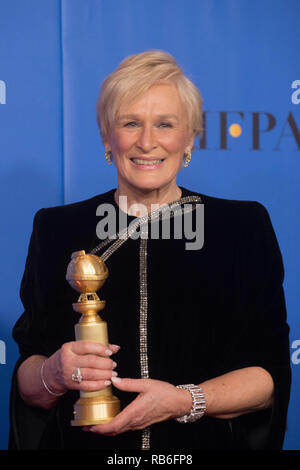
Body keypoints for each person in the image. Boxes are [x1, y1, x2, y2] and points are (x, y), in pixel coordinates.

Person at [9, 50, 291, 450]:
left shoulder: (242, 227)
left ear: (190, 136)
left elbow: (269, 376)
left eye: (165, 124)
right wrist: (53, 373)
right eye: (130, 123)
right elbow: (28, 376)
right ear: (107, 136)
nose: (147, 141)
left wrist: (182, 401)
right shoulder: (57, 228)